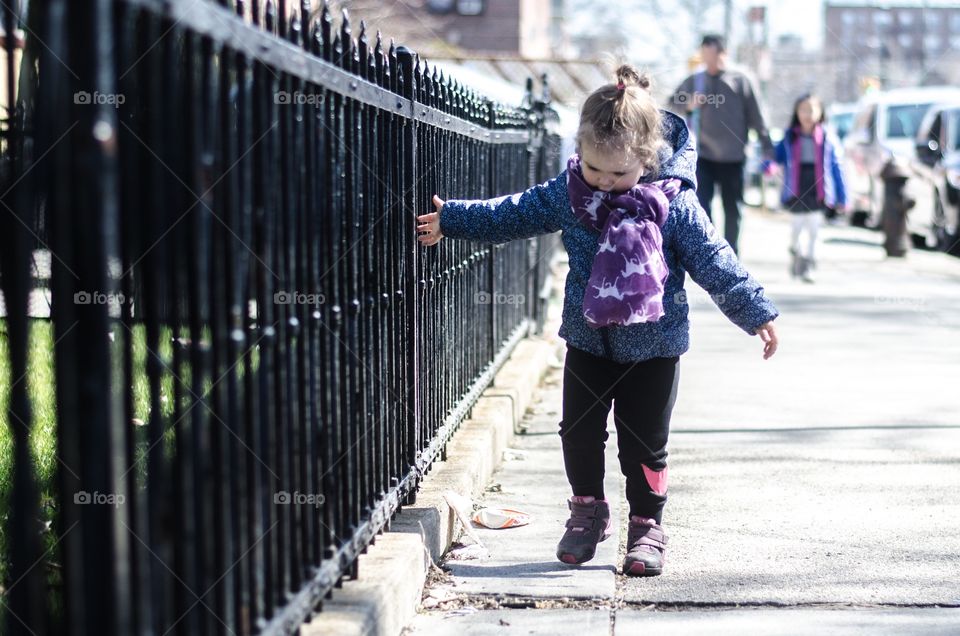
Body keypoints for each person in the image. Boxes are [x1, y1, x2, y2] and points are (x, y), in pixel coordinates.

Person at [416, 65, 779, 577]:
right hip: (588, 340)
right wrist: (452, 218)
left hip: (655, 347)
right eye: (595, 171)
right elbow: (512, 213)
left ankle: (647, 526)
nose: (605, 183)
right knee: (578, 432)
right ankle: (587, 512)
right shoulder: (569, 195)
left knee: (644, 443)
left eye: (619, 175)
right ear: (579, 153)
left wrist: (755, 311)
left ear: (647, 160)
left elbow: (715, 260)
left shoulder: (675, 205)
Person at [669, 34, 774, 255]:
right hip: (703, 155)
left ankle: (731, 253)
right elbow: (672, 103)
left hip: (734, 156)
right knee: (702, 207)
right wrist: (689, 104)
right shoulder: (695, 80)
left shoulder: (740, 80)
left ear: (723, 53)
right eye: (704, 55)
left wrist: (767, 147)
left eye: (713, 55)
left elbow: (756, 115)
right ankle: (709, 251)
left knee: (733, 209)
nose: (709, 61)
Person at [772, 93, 848, 282]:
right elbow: (776, 156)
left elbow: (837, 168)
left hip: (819, 187)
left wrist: (842, 197)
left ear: (820, 113)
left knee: (814, 229)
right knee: (797, 226)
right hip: (796, 186)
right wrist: (769, 165)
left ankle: (809, 265)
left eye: (812, 109)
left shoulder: (829, 138)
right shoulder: (790, 136)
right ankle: (795, 252)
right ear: (796, 113)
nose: (807, 114)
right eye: (803, 110)